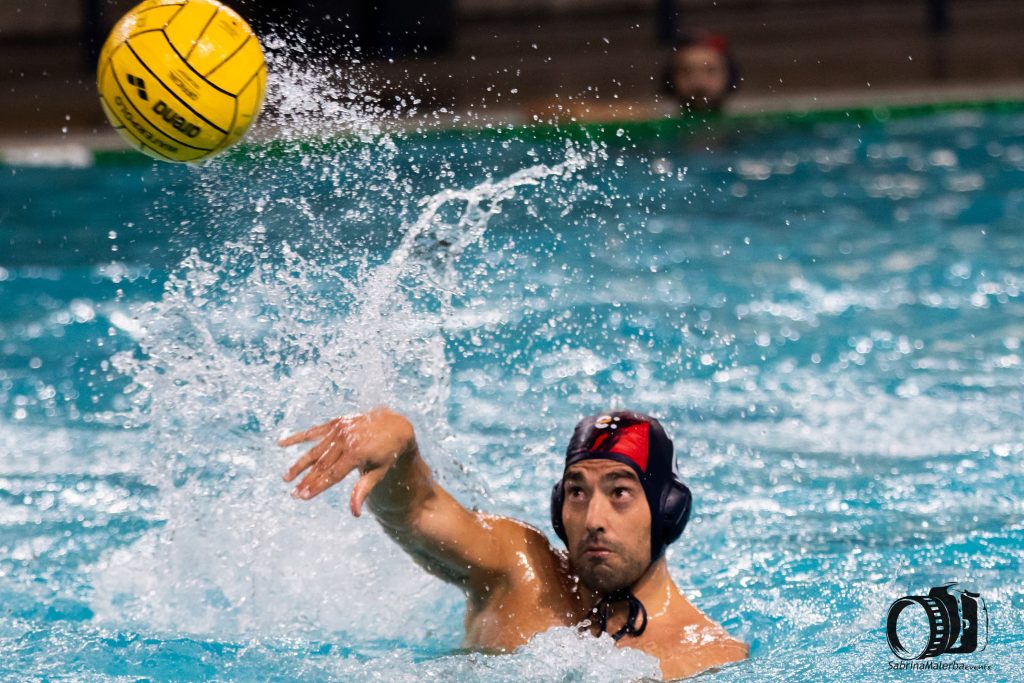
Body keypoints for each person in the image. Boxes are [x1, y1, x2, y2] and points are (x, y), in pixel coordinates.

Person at [280, 407, 747, 680]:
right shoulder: (517, 568)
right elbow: (419, 512)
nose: (593, 519)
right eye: (577, 492)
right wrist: (397, 444)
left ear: (668, 511)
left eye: (620, 492)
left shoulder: (706, 658)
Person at [664, 33, 740, 114]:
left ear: (729, 75)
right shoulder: (655, 125)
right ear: (670, 78)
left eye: (710, 71)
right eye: (686, 71)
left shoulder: (748, 125)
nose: (699, 83)